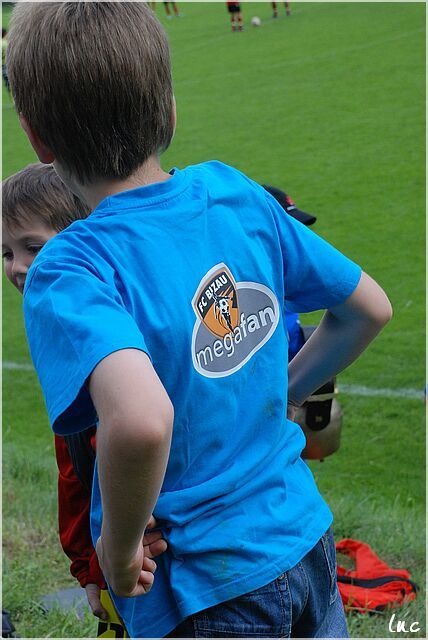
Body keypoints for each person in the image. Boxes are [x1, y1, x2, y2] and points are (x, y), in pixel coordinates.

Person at [7, 3, 392, 638]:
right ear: (170, 111)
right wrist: (284, 390)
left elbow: (141, 420)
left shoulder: (70, 268)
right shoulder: (234, 193)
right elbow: (367, 309)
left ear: (36, 138)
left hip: (202, 587)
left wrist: (119, 550)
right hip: (303, 537)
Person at [2, 163, 168, 637]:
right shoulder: (63, 328)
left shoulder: (123, 336)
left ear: (84, 236)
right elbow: (75, 467)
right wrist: (90, 571)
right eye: (6, 253)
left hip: (165, 556)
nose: (17, 267)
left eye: (33, 247)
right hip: (121, 564)